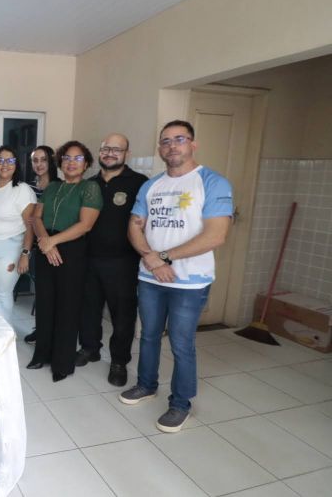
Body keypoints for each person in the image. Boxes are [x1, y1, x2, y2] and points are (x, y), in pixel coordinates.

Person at [120, 120, 233, 433]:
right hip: (150, 277)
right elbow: (135, 225)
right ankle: (146, 385)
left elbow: (216, 235)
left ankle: (180, 403)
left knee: (182, 343)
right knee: (149, 335)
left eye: (179, 139)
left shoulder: (212, 182)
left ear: (192, 144)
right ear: (160, 148)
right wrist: (151, 259)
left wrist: (165, 257)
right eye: (166, 141)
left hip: (190, 281)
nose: (172, 145)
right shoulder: (151, 185)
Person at [26, 141, 102, 382]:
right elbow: (36, 218)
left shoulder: (89, 188)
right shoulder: (52, 187)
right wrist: (46, 241)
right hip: (46, 245)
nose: (71, 162)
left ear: (87, 163)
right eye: (67, 158)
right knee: (45, 303)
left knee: (67, 308)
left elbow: (85, 225)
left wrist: (52, 242)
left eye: (78, 158)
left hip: (72, 250)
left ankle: (62, 362)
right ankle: (42, 354)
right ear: (60, 162)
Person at [77, 134, 148, 387]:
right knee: (88, 309)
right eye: (105, 148)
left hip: (123, 263)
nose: (109, 153)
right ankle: (89, 348)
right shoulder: (89, 183)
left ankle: (119, 362)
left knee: (122, 316)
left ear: (126, 154)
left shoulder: (139, 183)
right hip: (89, 259)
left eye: (116, 149)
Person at [0, 146, 36, 322]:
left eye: (10, 161)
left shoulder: (22, 190)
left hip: (11, 249)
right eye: (1, 160)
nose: (5, 164)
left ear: (16, 165)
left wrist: (25, 254)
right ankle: (1, 331)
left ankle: (4, 335)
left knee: (3, 293)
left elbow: (30, 226)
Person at [24, 145, 61, 345]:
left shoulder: (60, 186)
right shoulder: (28, 187)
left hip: (53, 245)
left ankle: (52, 331)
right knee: (41, 291)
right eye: (35, 160)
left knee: (53, 293)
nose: (39, 164)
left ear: (51, 162)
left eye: (43, 160)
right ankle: (41, 329)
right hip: (36, 245)